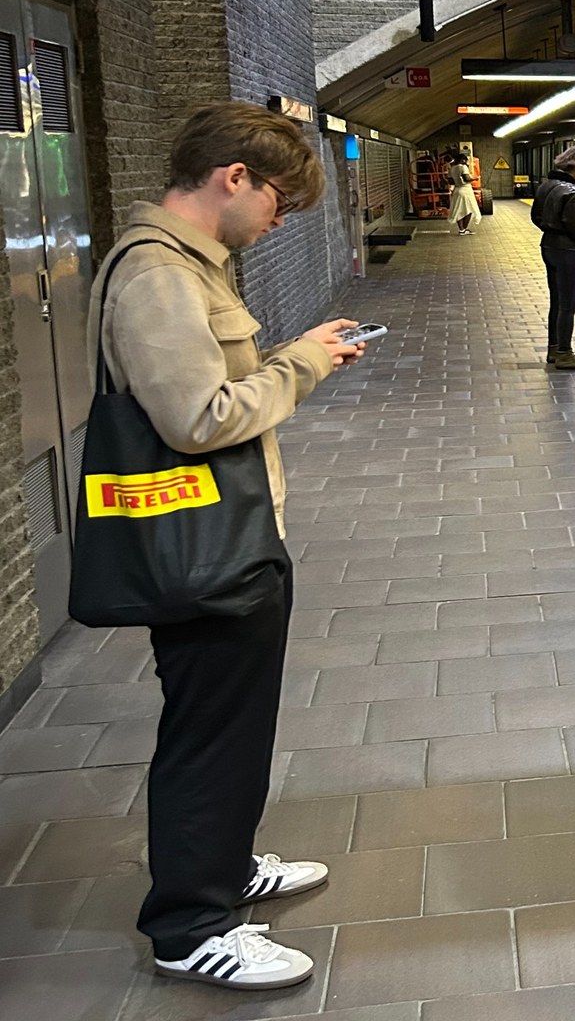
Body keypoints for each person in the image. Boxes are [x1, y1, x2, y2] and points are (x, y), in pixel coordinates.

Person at [88, 102, 364, 989]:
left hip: (230, 536)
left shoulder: (185, 266)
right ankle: (190, 926)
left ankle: (225, 867)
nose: (278, 222)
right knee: (210, 735)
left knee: (237, 729)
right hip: (207, 549)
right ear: (232, 178)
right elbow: (198, 416)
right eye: (278, 202)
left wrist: (286, 356)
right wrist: (303, 364)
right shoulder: (160, 274)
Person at [535, 145, 575, 370]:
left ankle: (554, 348)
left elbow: (536, 217)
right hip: (568, 252)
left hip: (549, 247)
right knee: (569, 304)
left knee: (557, 302)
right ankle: (565, 353)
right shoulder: (574, 193)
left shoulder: (546, 186)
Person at [447, 152, 480, 235]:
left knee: (458, 210)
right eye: (465, 160)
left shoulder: (452, 168)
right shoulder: (463, 167)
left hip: (457, 190)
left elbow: (450, 181)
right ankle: (464, 229)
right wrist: (474, 179)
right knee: (470, 210)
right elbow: (466, 179)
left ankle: (462, 230)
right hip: (466, 191)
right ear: (462, 160)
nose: (466, 162)